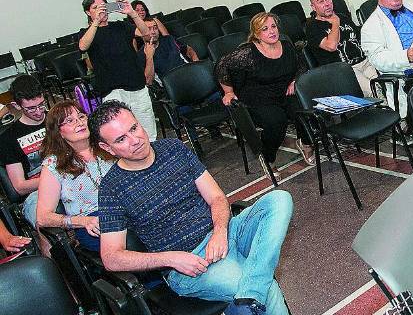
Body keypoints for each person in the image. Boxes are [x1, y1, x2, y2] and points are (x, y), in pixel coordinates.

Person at [92, 101, 292, 315]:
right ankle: (251, 292)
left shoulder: (174, 149)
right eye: (121, 139)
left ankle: (249, 294)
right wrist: (171, 258)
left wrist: (220, 232)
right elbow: (112, 258)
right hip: (190, 265)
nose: (135, 140)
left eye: (134, 128)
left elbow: (216, 197)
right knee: (266, 288)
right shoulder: (111, 188)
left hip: (224, 233)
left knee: (279, 199)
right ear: (107, 148)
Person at [216, 13, 314, 168]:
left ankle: (304, 142)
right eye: (265, 29)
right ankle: (267, 157)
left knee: (305, 109)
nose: (272, 31)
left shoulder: (287, 46)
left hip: (283, 90)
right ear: (256, 33)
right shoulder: (248, 53)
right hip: (258, 95)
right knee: (276, 122)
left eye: (273, 26)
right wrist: (228, 91)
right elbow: (222, 65)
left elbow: (301, 65)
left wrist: (294, 81)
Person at [36, 100, 115, 252]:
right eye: (70, 121)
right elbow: (43, 217)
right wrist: (83, 221)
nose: (79, 123)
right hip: (92, 223)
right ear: (59, 132)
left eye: (81, 117)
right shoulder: (54, 164)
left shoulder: (107, 145)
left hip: (126, 209)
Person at [78, 0, 158, 141]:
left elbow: (146, 34)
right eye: (96, 8)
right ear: (88, 12)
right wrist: (96, 22)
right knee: (121, 132)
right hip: (112, 90)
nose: (102, 11)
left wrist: (132, 13)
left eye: (103, 6)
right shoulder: (86, 33)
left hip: (136, 85)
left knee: (148, 132)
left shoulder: (120, 26)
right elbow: (83, 46)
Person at [306, 0, 378, 97]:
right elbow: (331, 46)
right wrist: (335, 23)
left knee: (388, 86)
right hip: (344, 71)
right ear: (313, 7)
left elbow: (360, 39)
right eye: (321, 1)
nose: (327, 4)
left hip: (365, 63)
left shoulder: (343, 17)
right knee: (374, 91)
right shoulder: (312, 26)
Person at [0, 75, 47, 225]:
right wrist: (56, 180)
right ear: (17, 105)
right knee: (42, 222)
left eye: (41, 104)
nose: (39, 112)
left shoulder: (58, 120)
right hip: (37, 192)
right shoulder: (8, 138)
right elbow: (19, 186)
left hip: (75, 181)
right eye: (31, 108)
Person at [136, 19, 199, 86]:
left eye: (155, 28)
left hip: (189, 74)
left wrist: (195, 60)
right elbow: (148, 81)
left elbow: (188, 49)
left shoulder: (169, 39)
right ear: (141, 33)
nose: (153, 32)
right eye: (148, 29)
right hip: (172, 86)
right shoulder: (141, 55)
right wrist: (149, 56)